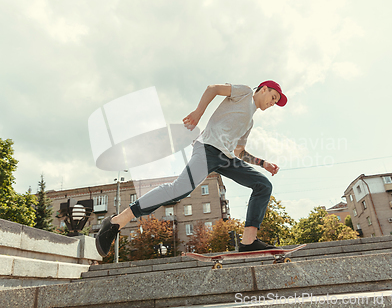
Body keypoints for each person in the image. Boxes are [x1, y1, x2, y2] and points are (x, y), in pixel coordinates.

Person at [96, 80, 287, 257]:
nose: (272, 104)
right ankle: (116, 221)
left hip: (226, 158)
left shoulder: (249, 122)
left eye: (275, 102)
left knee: (263, 185)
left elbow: (240, 152)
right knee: (179, 190)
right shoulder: (244, 93)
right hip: (208, 149)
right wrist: (198, 112)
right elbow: (213, 88)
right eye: (273, 98)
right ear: (263, 89)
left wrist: (263, 163)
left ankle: (248, 241)